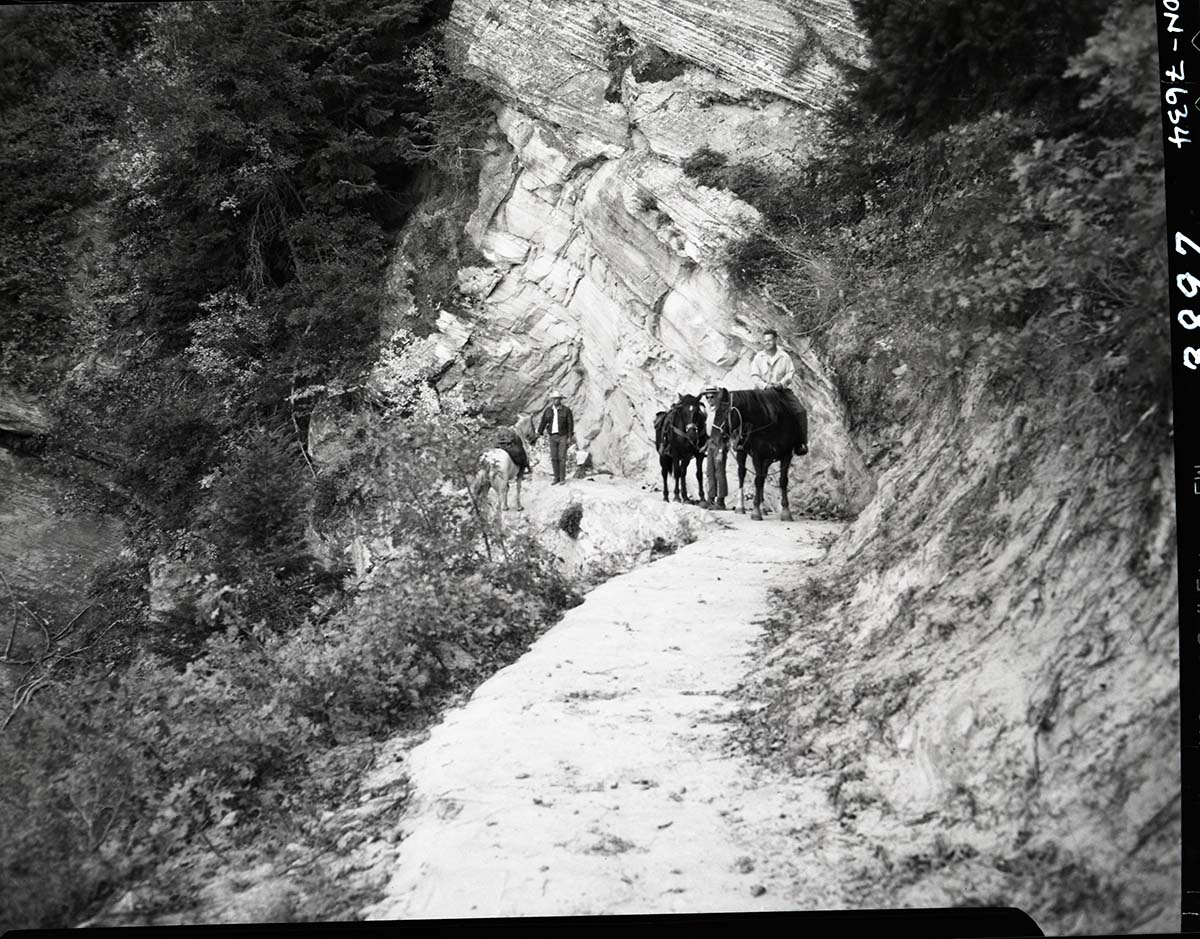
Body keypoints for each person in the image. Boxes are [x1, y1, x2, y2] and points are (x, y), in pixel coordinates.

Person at [749, 328, 809, 456]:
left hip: (780, 391)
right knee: (746, 409)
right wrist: (765, 385)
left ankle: (801, 442)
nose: (767, 343)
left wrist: (781, 384)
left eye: (770, 340)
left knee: (800, 411)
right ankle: (742, 442)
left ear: (776, 340)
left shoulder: (784, 357)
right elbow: (754, 375)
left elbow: (790, 373)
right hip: (762, 391)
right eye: (765, 341)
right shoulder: (758, 357)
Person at [537, 392, 575, 485]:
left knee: (562, 457)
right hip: (552, 436)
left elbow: (570, 424)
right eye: (554, 399)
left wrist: (569, 437)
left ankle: (562, 478)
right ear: (552, 400)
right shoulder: (548, 410)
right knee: (554, 457)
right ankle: (556, 478)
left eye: (557, 398)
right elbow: (543, 422)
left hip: (563, 436)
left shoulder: (566, 410)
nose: (555, 400)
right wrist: (539, 432)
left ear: (560, 400)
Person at [701, 387, 729, 509]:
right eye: (707, 397)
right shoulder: (710, 412)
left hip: (720, 443)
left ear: (717, 397)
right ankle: (711, 498)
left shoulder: (722, 412)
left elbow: (725, 432)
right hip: (711, 443)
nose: (709, 400)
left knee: (719, 472)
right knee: (710, 472)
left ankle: (721, 500)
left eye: (712, 397)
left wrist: (722, 449)